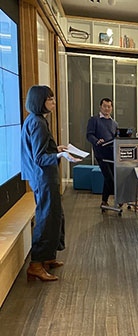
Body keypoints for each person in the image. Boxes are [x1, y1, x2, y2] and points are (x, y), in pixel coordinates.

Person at [21, 85, 81, 281]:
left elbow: (43, 150)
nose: (53, 103)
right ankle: (36, 263)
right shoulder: (37, 123)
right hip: (43, 177)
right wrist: (61, 154)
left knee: (55, 215)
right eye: (50, 99)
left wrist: (57, 148)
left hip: (44, 177)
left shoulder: (36, 120)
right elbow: (39, 158)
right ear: (40, 101)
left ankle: (47, 256)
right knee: (46, 218)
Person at [86, 98, 118, 207]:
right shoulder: (94, 120)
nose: (107, 108)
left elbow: (116, 138)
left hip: (112, 154)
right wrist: (96, 141)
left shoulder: (114, 123)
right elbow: (89, 135)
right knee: (109, 177)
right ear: (100, 107)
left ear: (112, 108)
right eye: (105, 106)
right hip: (101, 153)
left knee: (109, 177)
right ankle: (119, 197)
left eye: (109, 106)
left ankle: (104, 201)